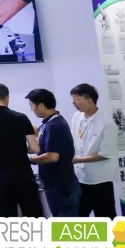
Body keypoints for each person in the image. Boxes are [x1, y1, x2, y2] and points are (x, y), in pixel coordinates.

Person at [0, 82, 44, 218]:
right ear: (7, 98)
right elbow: (35, 148)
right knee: (34, 219)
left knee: (6, 222)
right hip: (24, 178)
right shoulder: (21, 117)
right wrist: (21, 150)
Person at [27, 88, 80, 217]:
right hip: (54, 184)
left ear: (41, 105)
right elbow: (39, 137)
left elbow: (52, 157)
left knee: (65, 223)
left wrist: (29, 160)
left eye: (32, 106)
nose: (31, 110)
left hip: (61, 186)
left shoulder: (55, 125)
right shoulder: (48, 123)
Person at [69, 83, 116, 218]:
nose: (74, 103)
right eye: (73, 99)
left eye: (77, 99)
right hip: (80, 178)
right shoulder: (77, 117)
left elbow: (105, 154)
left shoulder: (107, 123)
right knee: (78, 216)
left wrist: (77, 159)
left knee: (105, 217)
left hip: (100, 180)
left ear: (89, 100)